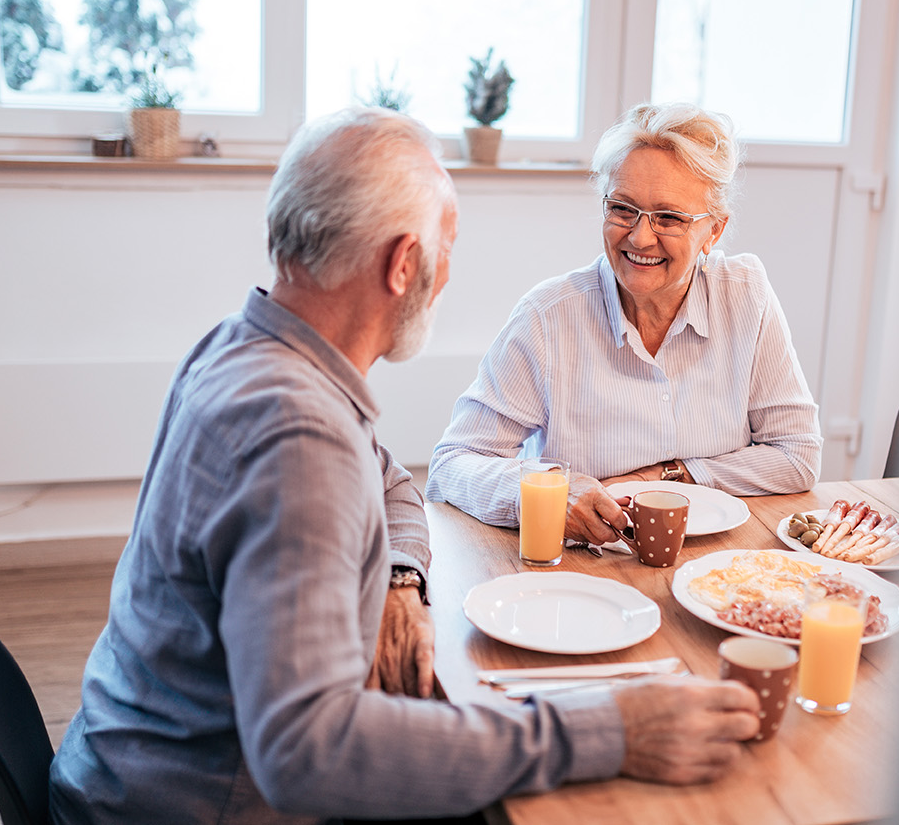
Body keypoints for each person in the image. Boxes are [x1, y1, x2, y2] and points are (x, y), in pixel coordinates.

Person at [48, 107, 760, 825]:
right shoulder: (297, 435)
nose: (448, 275)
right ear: (403, 264)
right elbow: (310, 754)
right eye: (447, 247)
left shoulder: (256, 351)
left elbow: (391, 480)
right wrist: (612, 729)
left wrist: (398, 575)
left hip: (134, 768)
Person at [426, 102, 822, 545]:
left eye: (669, 217)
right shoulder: (548, 317)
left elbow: (797, 454)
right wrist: (548, 495)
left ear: (714, 231)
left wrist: (671, 477)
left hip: (718, 562)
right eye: (623, 209)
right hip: (588, 568)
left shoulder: (745, 294)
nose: (639, 237)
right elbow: (453, 464)